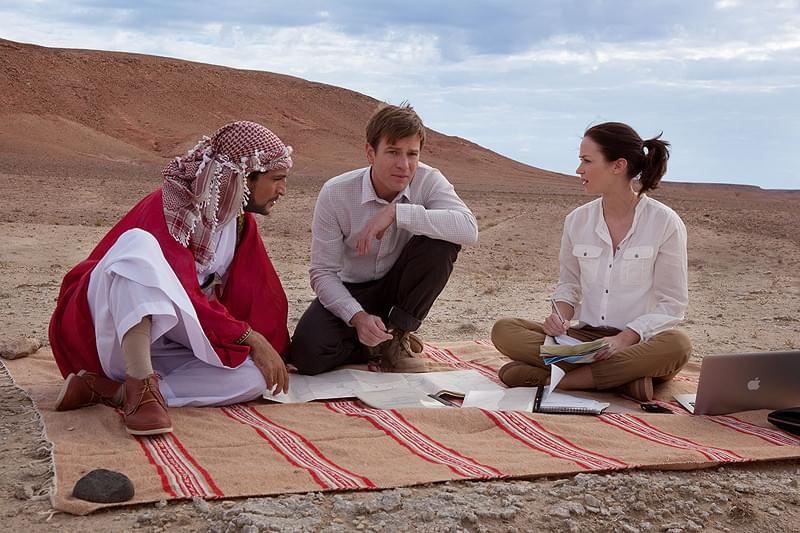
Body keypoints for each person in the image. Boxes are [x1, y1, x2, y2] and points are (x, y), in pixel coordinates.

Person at [49, 121, 293, 436]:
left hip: (167, 341)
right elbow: (182, 287)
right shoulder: (171, 207)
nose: (282, 190)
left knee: (256, 378)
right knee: (139, 245)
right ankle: (139, 383)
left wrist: (276, 350)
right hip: (109, 329)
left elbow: (259, 296)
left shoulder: (239, 224)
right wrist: (250, 337)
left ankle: (117, 392)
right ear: (242, 175)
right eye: (276, 179)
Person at [491, 122, 691, 402]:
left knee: (678, 345)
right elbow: (569, 285)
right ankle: (623, 382)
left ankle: (557, 381)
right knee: (504, 330)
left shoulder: (664, 222)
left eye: (587, 161)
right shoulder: (577, 220)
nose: (579, 170)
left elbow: (672, 304)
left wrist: (624, 339)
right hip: (583, 340)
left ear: (618, 166)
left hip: (637, 344)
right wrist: (560, 317)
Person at [289, 103, 478, 375]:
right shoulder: (336, 193)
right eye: (392, 152)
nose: (404, 165)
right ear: (370, 153)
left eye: (412, 154)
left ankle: (397, 335)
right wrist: (357, 317)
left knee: (441, 243)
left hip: (399, 288)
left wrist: (397, 213)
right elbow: (322, 273)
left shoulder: (428, 180)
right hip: (351, 288)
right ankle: (375, 343)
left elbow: (468, 229)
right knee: (307, 356)